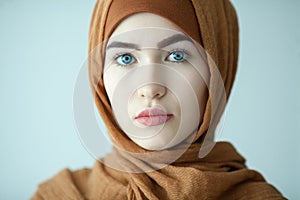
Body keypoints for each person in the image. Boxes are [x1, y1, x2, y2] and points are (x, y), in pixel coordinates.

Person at [31, 0, 286, 199]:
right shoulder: (60, 195)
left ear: (217, 69)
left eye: (176, 56)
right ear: (99, 76)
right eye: (125, 58)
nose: (149, 87)